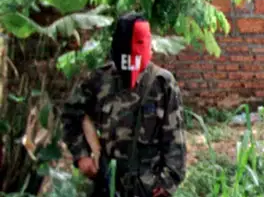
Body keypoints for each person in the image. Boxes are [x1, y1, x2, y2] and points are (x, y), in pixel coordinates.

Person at [62, 12, 186, 197]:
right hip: (107, 183)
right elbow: (71, 114)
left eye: (143, 42)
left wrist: (167, 184)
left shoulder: (162, 83)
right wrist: (82, 156)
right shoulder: (100, 79)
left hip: (148, 186)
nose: (138, 50)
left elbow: (175, 138)